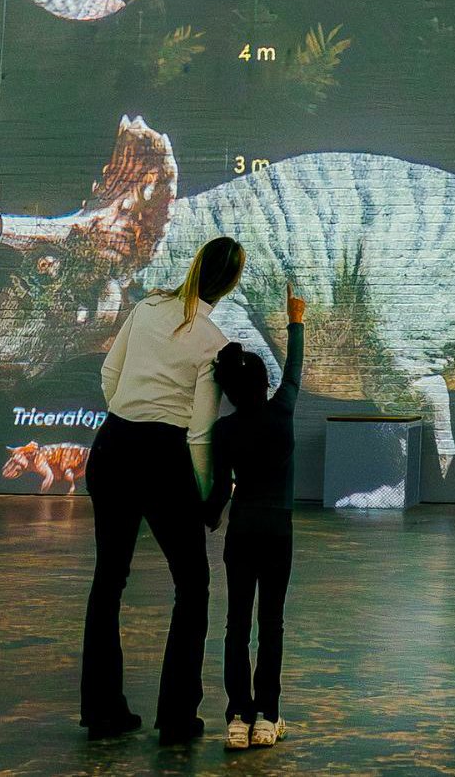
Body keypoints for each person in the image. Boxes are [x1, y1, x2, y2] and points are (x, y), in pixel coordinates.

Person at [81, 236, 245, 745]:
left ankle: (102, 713)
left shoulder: (148, 307)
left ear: (195, 265)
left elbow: (110, 375)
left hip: (112, 446)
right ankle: (176, 718)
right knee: (192, 587)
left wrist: (128, 414)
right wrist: (202, 498)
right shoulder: (212, 343)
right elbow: (199, 432)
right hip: (162, 454)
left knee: (109, 581)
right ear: (232, 283)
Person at [203, 283, 306, 750]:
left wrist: (204, 517)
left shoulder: (224, 429)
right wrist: (295, 321)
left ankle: (237, 721)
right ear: (265, 385)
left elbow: (220, 491)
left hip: (241, 530)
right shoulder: (282, 413)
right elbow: (295, 372)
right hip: (277, 531)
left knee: (236, 626)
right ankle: (268, 716)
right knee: (272, 624)